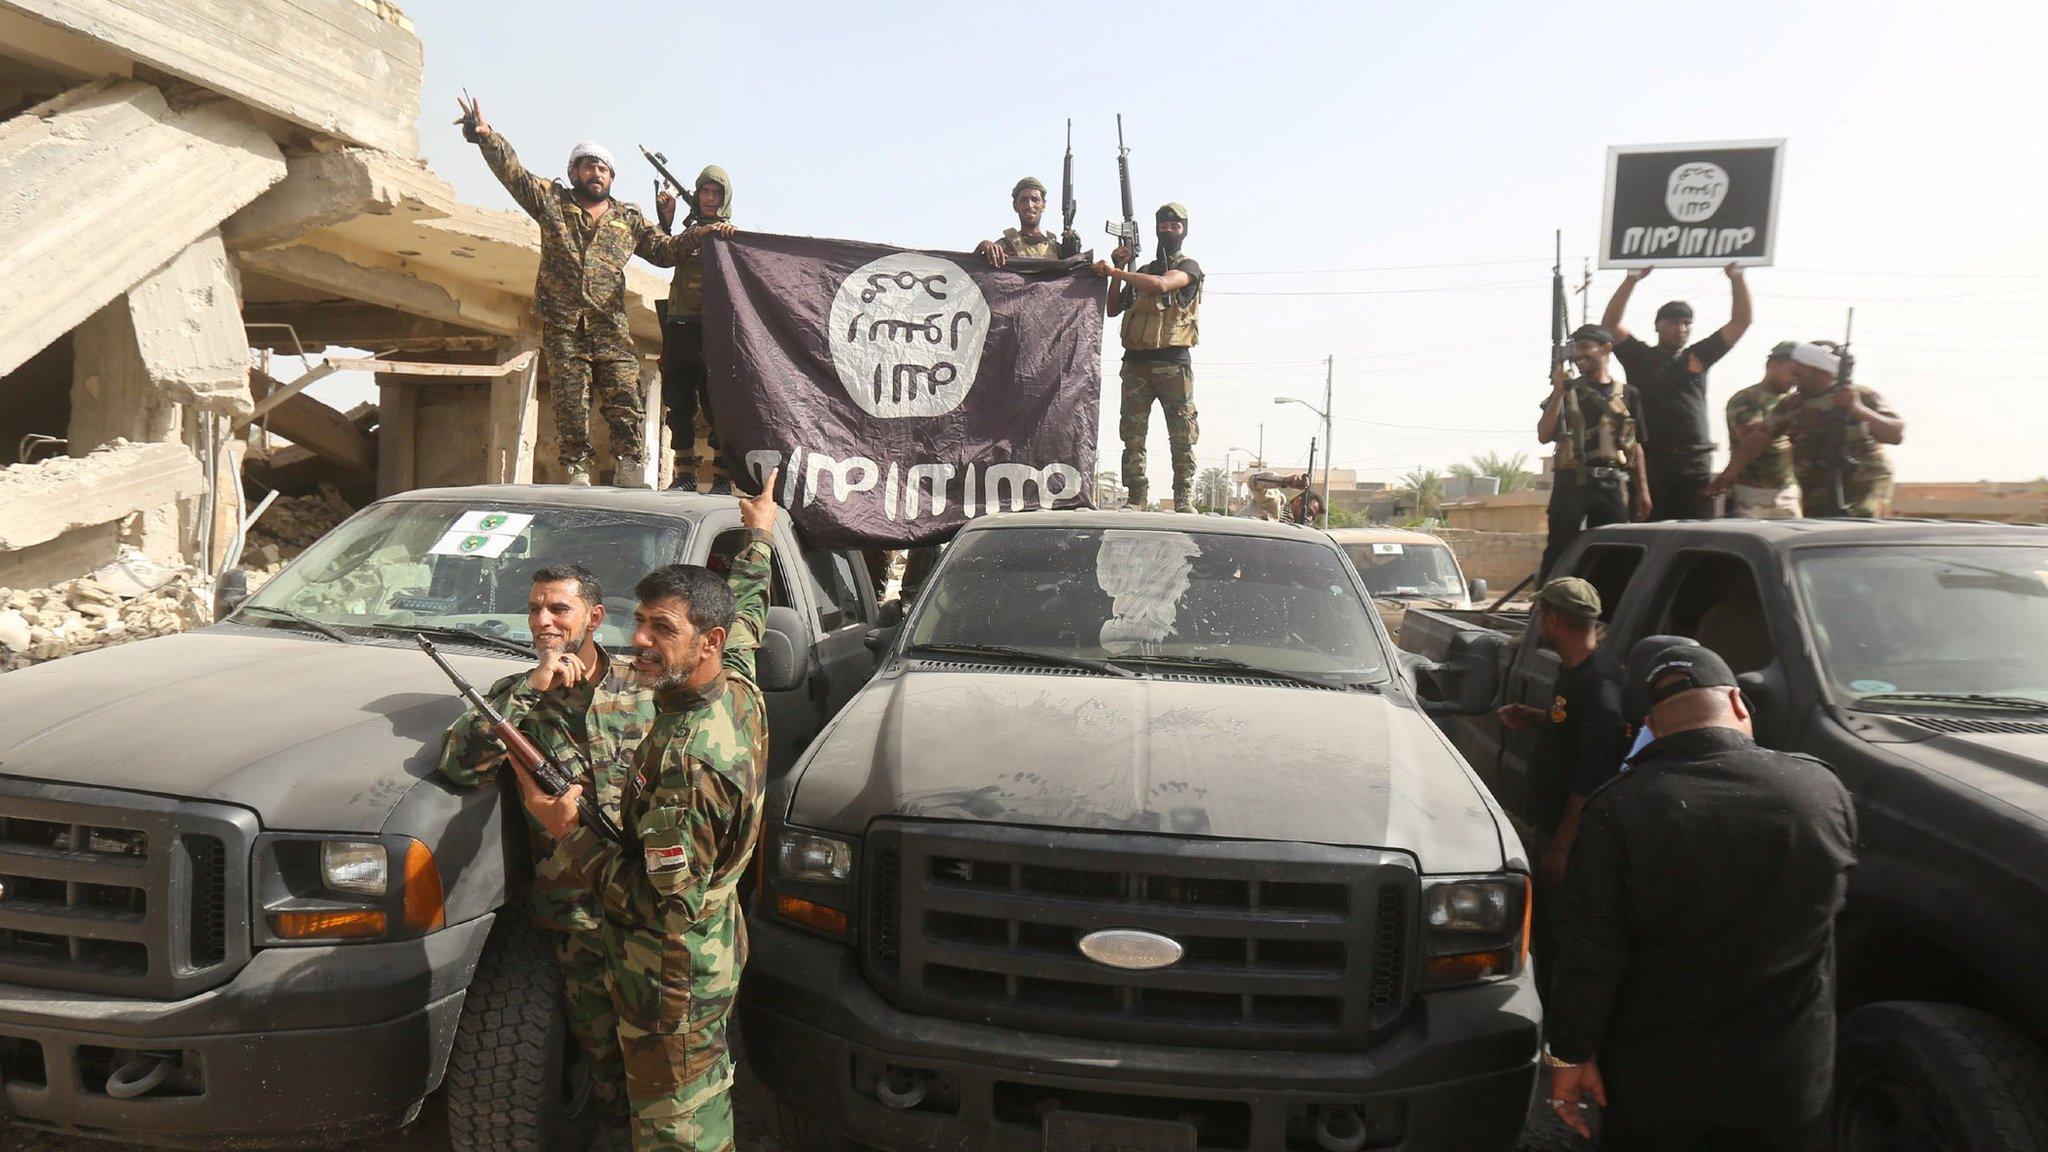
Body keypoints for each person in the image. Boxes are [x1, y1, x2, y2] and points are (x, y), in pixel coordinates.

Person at [515, 473, 782, 1150]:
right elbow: (747, 611)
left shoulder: (687, 769)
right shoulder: (739, 685)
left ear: (705, 643)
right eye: (638, 621)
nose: (640, 640)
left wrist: (567, 830)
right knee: (704, 1095)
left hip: (668, 979)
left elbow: (658, 902)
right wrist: (758, 537)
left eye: (662, 628)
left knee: (675, 1127)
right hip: (714, 953)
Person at [1544, 642, 1857, 1150]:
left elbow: (1590, 953)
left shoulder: (1619, 808)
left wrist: (1569, 1057)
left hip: (1660, 1087)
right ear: (1738, 702)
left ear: (1653, 724)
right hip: (1787, 1079)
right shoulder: (1820, 789)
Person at [435, 562, 653, 1137]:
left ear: (594, 618)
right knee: (600, 1047)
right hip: (577, 909)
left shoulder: (645, 683)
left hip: (647, 899)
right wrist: (532, 690)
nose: (543, 621)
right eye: (535, 609)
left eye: (559, 608)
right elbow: (460, 766)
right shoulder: (515, 696)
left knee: (665, 1044)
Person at [455, 95, 680, 487]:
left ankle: (629, 463)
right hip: (564, 324)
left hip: (609, 325)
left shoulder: (627, 218)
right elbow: (514, 174)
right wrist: (486, 136)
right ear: (574, 172)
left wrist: (686, 228)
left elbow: (664, 254)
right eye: (588, 166)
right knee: (570, 400)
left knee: (625, 394)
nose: (596, 172)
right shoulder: (552, 202)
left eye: (603, 168)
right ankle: (576, 467)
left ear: (612, 177)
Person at [1494, 578, 1627, 893]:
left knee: (1560, 919)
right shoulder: (1581, 669)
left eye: (1540, 614)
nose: (1538, 622)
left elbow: (1593, 775)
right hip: (1552, 826)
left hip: (1570, 838)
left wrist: (1561, 847)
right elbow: (1579, 729)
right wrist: (1539, 718)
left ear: (1553, 620)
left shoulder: (1598, 685)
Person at [1601, 265, 1752, 520]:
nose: (1681, 328)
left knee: (1695, 537)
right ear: (1658, 325)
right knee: (1648, 533)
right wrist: (1632, 279)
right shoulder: (1639, 357)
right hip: (1650, 464)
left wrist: (1737, 277)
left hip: (1695, 464)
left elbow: (1741, 321)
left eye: (1687, 323)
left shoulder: (1698, 357)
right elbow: (1610, 325)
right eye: (1674, 322)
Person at [1711, 341, 1904, 518]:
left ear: (1819, 370)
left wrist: (1857, 409)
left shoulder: (1860, 395)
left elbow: (1895, 434)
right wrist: (1730, 472)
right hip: (1817, 487)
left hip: (1865, 480)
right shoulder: (1792, 404)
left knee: (1861, 522)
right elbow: (1761, 436)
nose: (1795, 376)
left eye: (1800, 370)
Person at [1095, 204, 1203, 512]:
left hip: (1173, 364)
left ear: (1184, 230)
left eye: (1175, 226)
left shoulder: (1189, 267)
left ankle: (1183, 497)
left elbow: (1162, 285)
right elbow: (1114, 307)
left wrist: (1117, 271)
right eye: (1163, 225)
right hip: (1137, 364)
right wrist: (1119, 271)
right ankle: (1136, 497)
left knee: (1182, 434)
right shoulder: (1142, 272)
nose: (1168, 230)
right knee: (1132, 435)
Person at [1537, 324, 1651, 581]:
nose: (1579, 355)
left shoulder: (1628, 394)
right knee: (1559, 550)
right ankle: (1544, 610)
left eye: (1585, 347)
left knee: (1613, 552)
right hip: (1572, 483)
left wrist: (1642, 490)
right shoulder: (1567, 391)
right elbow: (1544, 434)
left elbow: (1636, 445)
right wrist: (1558, 392)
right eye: (1575, 349)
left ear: (1606, 348)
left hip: (1612, 483)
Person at [654, 167, 738, 492]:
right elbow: (663, 252)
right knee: (679, 402)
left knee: (717, 403)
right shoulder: (688, 232)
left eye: (717, 193)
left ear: (725, 198)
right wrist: (667, 222)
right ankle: (685, 473)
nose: (710, 199)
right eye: (705, 192)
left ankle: (721, 477)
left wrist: (728, 238)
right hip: (679, 325)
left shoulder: (729, 235)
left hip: (712, 328)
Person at [1721, 341, 1802, 518]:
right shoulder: (1746, 398)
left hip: (1786, 491)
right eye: (1793, 372)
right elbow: (1750, 436)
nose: (1796, 379)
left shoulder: (1794, 401)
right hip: (1750, 492)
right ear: (1772, 366)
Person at [975, 176, 1080, 267]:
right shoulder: (1006, 247)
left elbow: (1076, 276)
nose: (1029, 205)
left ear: (1043, 205)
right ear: (1015, 206)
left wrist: (1074, 251)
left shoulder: (1057, 251)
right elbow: (973, 274)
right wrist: (982, 248)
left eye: (1035, 199)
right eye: (1024, 200)